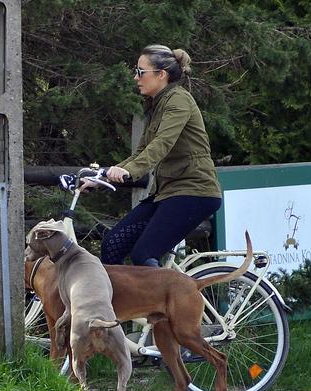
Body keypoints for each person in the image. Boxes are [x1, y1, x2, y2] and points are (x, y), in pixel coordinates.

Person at [82, 44, 222, 267]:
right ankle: (120, 302)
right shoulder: (156, 106)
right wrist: (102, 177)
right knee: (112, 244)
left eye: (140, 72)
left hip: (194, 191)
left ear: (161, 74)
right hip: (167, 192)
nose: (135, 77)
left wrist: (129, 171)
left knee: (143, 254)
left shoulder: (179, 100)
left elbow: (161, 145)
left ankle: (162, 302)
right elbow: (140, 153)